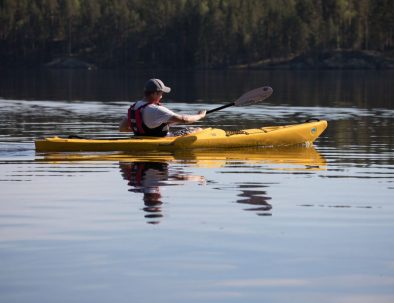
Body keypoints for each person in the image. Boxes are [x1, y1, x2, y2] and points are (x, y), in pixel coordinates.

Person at [119, 78, 206, 136]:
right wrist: (200, 116)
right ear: (154, 93)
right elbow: (184, 119)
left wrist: (143, 132)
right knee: (199, 130)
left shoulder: (134, 107)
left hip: (139, 138)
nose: (162, 96)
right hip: (162, 141)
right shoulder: (156, 109)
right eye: (161, 93)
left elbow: (122, 128)